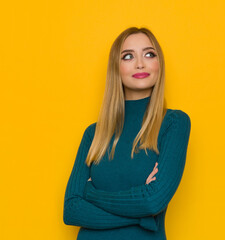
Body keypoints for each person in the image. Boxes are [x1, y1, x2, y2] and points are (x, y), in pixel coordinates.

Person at [63, 27, 191, 240]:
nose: (140, 63)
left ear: (160, 64)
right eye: (128, 56)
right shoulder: (93, 134)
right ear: (116, 68)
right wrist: (142, 217)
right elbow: (72, 210)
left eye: (149, 54)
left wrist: (91, 193)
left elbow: (153, 201)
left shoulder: (173, 123)